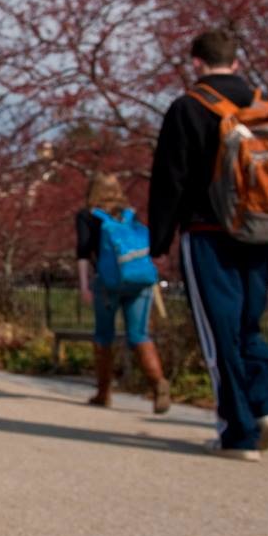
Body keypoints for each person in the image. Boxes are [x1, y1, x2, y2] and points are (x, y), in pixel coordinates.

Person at [149, 25, 268, 460]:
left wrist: (158, 243)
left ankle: (238, 432)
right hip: (264, 230)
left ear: (196, 63)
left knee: (219, 333)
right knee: (248, 325)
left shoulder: (188, 108)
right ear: (237, 62)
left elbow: (170, 182)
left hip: (207, 234)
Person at [76, 173, 170, 413]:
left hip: (108, 284)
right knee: (139, 335)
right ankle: (159, 384)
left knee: (103, 336)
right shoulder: (129, 214)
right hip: (139, 282)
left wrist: (84, 285)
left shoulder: (88, 216)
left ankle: (103, 392)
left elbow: (84, 253)